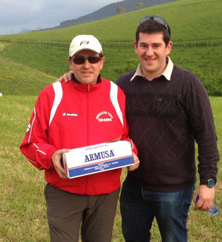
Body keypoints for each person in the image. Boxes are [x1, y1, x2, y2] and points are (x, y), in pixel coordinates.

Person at [56, 16, 220, 242]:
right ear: (135, 47)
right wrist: (72, 77)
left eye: (156, 46)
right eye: (144, 45)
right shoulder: (123, 85)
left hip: (173, 190)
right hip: (133, 187)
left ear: (168, 47)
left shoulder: (188, 84)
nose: (149, 52)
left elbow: (207, 137)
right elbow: (93, 88)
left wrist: (208, 182)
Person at [20, 34, 139, 242]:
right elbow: (30, 143)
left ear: (102, 61)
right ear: (70, 63)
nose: (86, 65)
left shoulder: (116, 93)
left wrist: (132, 153)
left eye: (92, 59)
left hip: (106, 195)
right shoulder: (51, 95)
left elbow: (125, 136)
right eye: (79, 59)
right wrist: (52, 156)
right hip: (64, 193)